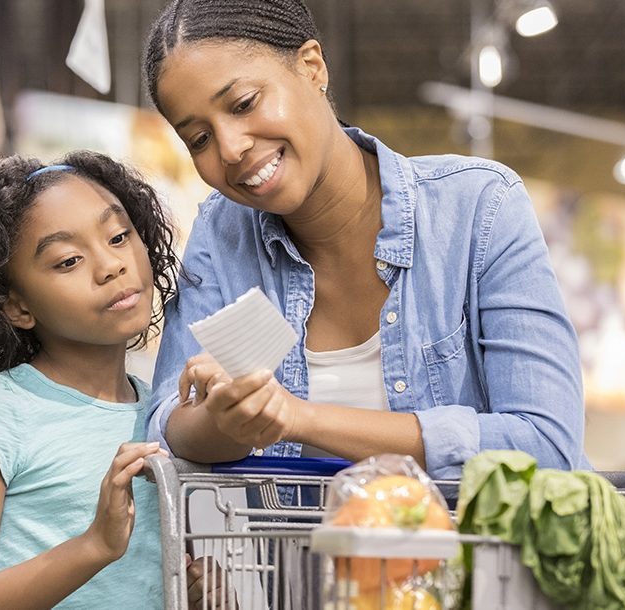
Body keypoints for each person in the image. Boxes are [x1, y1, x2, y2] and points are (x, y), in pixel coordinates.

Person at [140, 0, 590, 481]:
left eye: (244, 103)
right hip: (290, 559)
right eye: (199, 139)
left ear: (312, 67)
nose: (230, 148)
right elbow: (165, 428)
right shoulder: (221, 233)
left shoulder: (478, 207)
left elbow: (545, 444)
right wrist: (225, 417)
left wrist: (298, 418)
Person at [0, 151, 223, 608]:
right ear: (17, 307)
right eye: (68, 261)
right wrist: (93, 547)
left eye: (119, 236)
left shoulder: (165, 414)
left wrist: (192, 592)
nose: (110, 266)